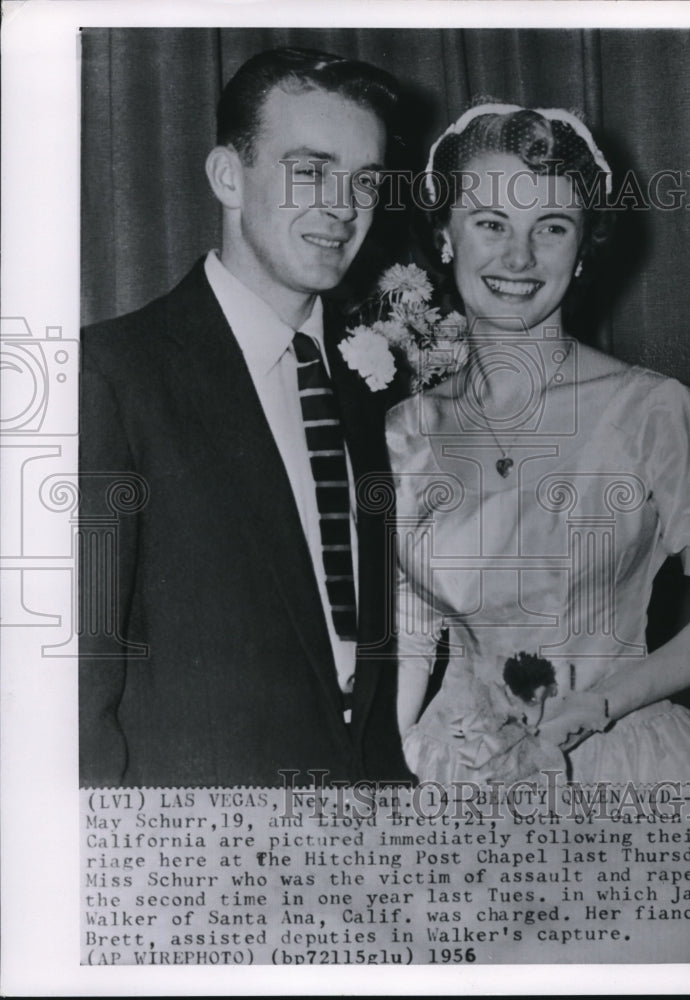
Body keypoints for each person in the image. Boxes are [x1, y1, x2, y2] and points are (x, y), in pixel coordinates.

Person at [387, 102, 690, 784]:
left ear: (583, 248)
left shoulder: (651, 411)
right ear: (445, 235)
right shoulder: (405, 430)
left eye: (550, 227)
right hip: (458, 771)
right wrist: (390, 762)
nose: (518, 256)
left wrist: (597, 705)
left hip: (620, 763)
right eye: (490, 223)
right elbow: (412, 629)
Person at [79, 48, 411, 787]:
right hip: (196, 859)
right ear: (228, 175)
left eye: (363, 181)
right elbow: (75, 685)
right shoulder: (113, 375)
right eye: (310, 171)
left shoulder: (371, 390)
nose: (342, 206)